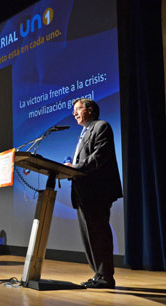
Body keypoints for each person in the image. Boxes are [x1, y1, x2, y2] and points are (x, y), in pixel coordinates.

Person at [64, 98, 122, 289]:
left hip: (97, 192)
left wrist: (75, 167)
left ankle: (106, 277)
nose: (74, 113)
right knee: (89, 236)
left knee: (99, 234)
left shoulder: (101, 127)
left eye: (78, 109)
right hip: (83, 192)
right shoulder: (84, 132)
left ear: (90, 110)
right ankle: (99, 274)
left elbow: (98, 157)